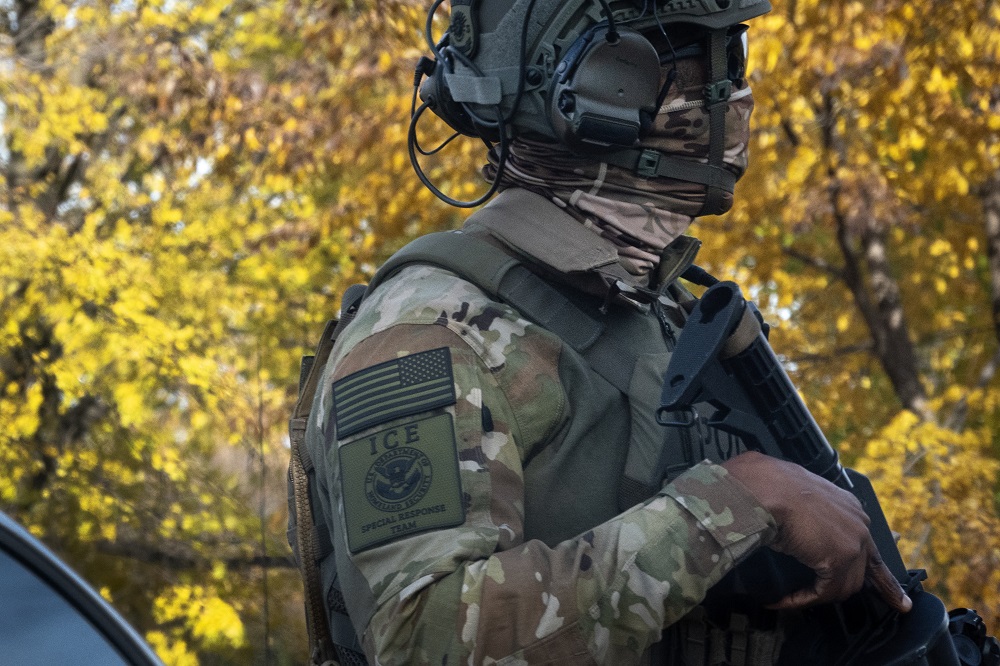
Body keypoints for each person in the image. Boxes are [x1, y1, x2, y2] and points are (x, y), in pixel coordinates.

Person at [294, 0, 912, 663]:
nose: (737, 95)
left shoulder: (664, 311)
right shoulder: (425, 334)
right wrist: (731, 507)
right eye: (715, 63)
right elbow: (424, 638)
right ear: (606, 87)